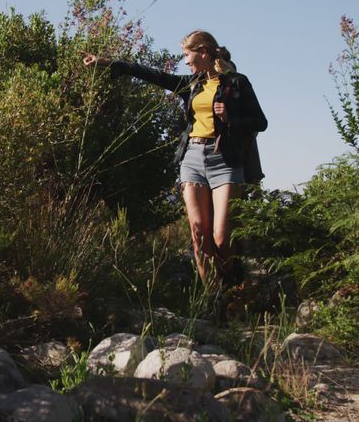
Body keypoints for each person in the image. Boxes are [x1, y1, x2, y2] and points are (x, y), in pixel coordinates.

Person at [82, 30, 267, 288]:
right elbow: (151, 74)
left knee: (221, 237)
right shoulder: (191, 84)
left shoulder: (236, 82)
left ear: (202, 50)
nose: (185, 61)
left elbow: (261, 122)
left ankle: (233, 284)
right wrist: (111, 63)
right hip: (192, 158)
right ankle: (213, 300)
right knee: (199, 234)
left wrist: (230, 119)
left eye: (187, 55)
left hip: (225, 161)